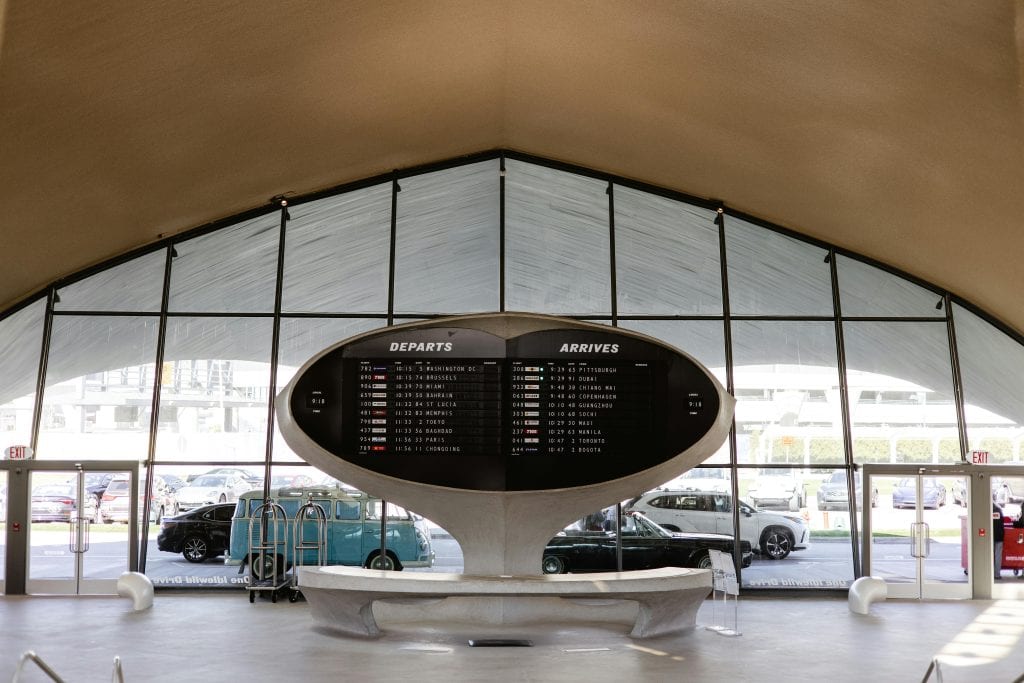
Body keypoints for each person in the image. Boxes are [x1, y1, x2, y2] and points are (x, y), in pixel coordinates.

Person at [993, 501, 1005, 580]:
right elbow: (1002, 522)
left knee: (990, 555)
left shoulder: (986, 510)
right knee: (998, 555)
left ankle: (989, 573)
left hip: (990, 536)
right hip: (999, 536)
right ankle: (997, 574)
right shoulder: (999, 510)